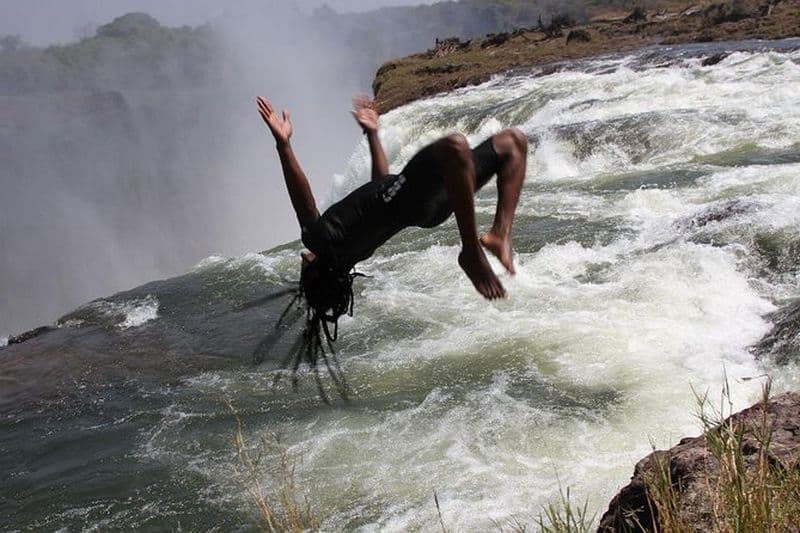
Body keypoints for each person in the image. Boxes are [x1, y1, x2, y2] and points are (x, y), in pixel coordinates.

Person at [256, 95, 527, 345]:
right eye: (304, 270)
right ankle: (471, 249)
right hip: (413, 195)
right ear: (313, 272)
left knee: (512, 143)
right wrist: (284, 145)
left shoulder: (352, 252)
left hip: (429, 207)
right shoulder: (321, 240)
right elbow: (304, 203)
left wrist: (373, 134)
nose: (302, 260)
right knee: (459, 146)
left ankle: (500, 234)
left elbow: (380, 187)